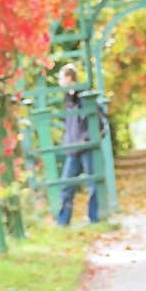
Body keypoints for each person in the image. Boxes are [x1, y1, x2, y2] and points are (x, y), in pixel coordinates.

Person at [56, 63, 99, 227]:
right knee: (67, 185)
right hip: (73, 148)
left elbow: (97, 121)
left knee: (92, 183)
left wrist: (86, 138)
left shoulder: (83, 97)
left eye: (61, 77)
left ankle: (95, 218)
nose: (60, 82)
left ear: (69, 78)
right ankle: (63, 221)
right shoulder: (68, 99)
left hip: (85, 146)